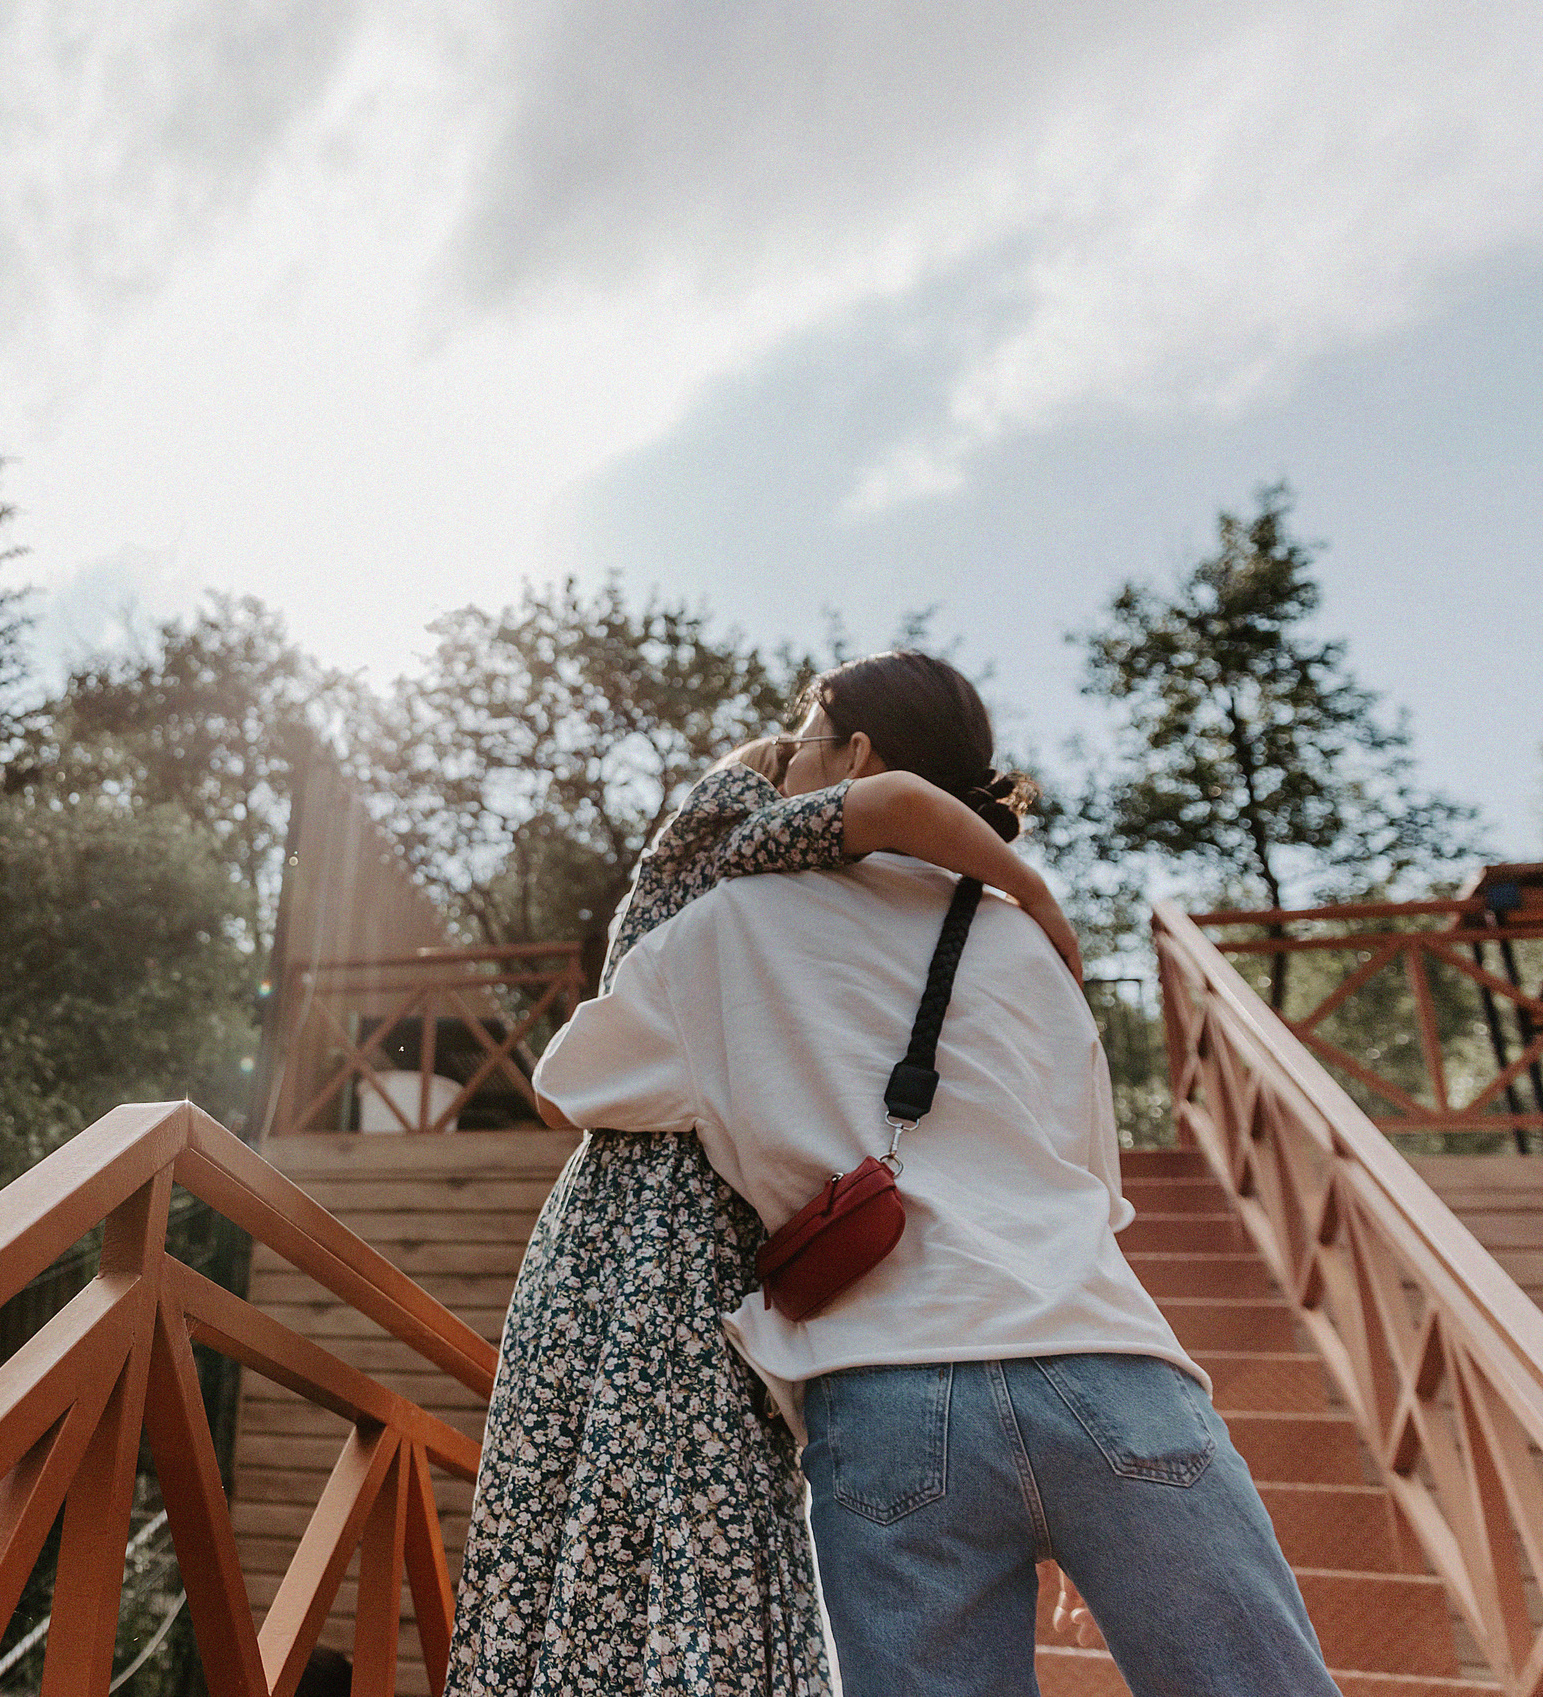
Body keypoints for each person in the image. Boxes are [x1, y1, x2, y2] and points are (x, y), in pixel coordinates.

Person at [530, 651, 1342, 1695]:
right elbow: (1091, 1184)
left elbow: (567, 1086)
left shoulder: (722, 928)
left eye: (799, 742)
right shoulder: (1022, 937)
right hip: (1112, 1368)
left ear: (853, 754)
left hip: (886, 1390)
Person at [444, 651, 1085, 1697]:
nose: (790, 749)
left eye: (807, 730)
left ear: (856, 743)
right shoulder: (741, 828)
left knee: (628, 1527)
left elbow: (885, 805)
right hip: (660, 1225)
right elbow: (889, 804)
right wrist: (1032, 893)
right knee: (687, 1532)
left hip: (665, 1222)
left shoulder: (797, 886)